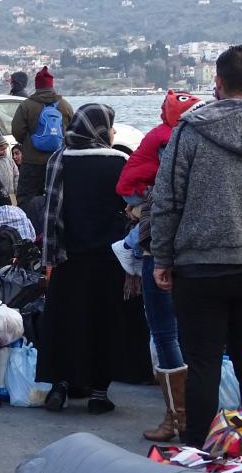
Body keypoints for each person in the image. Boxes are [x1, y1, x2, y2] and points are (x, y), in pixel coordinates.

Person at [151, 45, 242, 447]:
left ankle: (198, 451)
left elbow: (167, 199)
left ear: (217, 82)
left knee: (202, 366)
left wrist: (163, 258)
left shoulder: (189, 131)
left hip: (199, 267)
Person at [37, 104, 144, 415]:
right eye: (110, 126)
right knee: (105, 324)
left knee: (67, 322)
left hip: (69, 257)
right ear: (99, 129)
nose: (112, 132)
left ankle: (60, 386)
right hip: (110, 260)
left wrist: (50, 257)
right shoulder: (120, 163)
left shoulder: (60, 159)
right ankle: (99, 393)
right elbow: (133, 207)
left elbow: (51, 212)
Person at [117, 90, 202, 442]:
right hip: (202, 252)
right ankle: (201, 417)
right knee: (199, 337)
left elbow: (164, 198)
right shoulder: (201, 139)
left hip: (162, 250)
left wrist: (142, 223)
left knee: (165, 333)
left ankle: (177, 419)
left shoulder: (167, 139)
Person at [11, 66, 74, 205]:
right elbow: (72, 131)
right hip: (57, 161)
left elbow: (17, 130)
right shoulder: (65, 106)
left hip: (32, 162)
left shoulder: (26, 105)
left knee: (26, 199)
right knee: (57, 200)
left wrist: (28, 142)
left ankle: (30, 225)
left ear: (37, 86)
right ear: (52, 85)